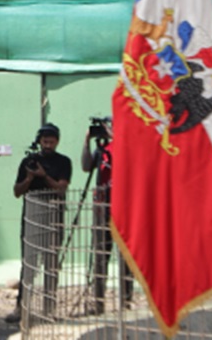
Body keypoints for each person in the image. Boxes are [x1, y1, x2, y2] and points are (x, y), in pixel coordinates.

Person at [6, 123, 71, 324]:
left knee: (51, 264)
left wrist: (45, 176)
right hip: (32, 216)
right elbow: (17, 191)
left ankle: (49, 309)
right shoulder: (29, 162)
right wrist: (30, 177)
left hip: (53, 215)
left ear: (57, 142)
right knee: (29, 264)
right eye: (45, 141)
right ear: (40, 141)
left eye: (51, 142)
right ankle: (21, 307)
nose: (48, 145)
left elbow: (61, 188)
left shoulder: (63, 162)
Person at [81, 116, 132, 315]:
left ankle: (125, 303)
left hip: (124, 210)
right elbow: (86, 167)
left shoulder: (127, 147)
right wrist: (86, 142)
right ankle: (99, 302)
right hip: (102, 210)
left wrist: (116, 139)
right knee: (101, 257)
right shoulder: (102, 151)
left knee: (126, 259)